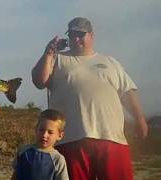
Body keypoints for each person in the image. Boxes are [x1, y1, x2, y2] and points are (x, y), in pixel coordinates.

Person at [31, 17, 148, 180]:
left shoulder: (110, 62)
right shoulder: (57, 59)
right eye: (72, 35)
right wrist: (49, 53)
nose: (76, 39)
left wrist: (139, 119)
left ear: (91, 36)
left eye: (80, 34)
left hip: (112, 138)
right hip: (71, 139)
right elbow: (39, 81)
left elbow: (127, 92)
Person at [11, 109, 69, 180]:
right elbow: (15, 175)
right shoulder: (23, 151)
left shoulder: (58, 160)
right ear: (36, 129)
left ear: (60, 135)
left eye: (50, 132)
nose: (44, 135)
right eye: (41, 130)